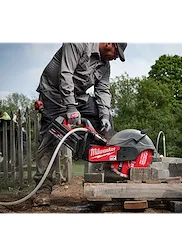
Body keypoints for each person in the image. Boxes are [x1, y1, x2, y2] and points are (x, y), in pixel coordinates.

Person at [33, 40, 128, 207]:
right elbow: (66, 73)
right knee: (51, 137)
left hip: (78, 95)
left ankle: (109, 178)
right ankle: (43, 189)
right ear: (109, 42)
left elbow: (103, 90)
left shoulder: (105, 65)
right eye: (116, 52)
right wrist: (70, 107)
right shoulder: (77, 42)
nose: (115, 58)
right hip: (53, 94)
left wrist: (104, 115)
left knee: (104, 120)